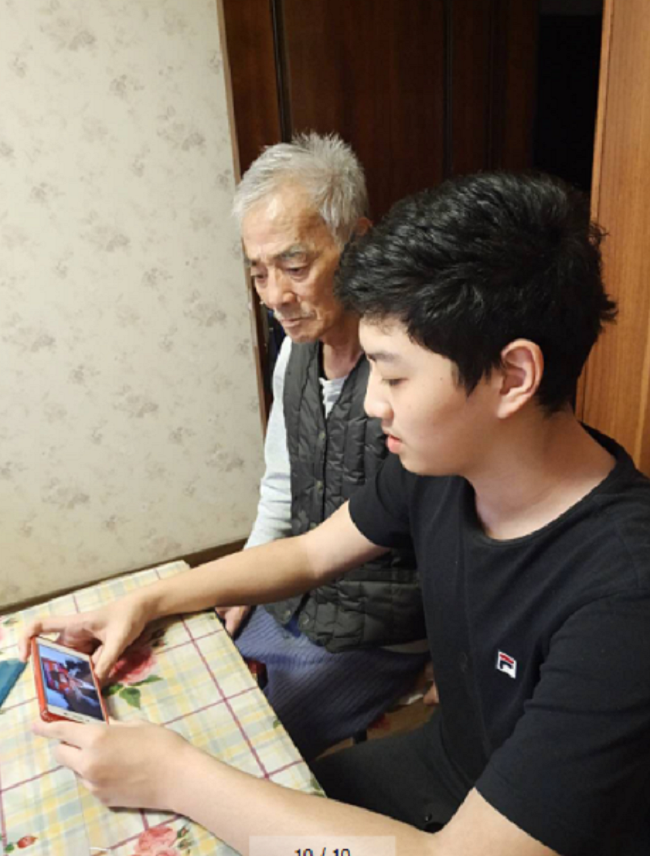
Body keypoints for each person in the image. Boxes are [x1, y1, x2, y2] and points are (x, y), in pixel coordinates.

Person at [21, 171, 650, 856]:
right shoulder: (447, 468)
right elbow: (310, 552)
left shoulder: (625, 596)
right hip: (447, 765)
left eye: (395, 376)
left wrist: (175, 776)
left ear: (513, 376)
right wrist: (146, 600)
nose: (375, 403)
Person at [219, 132, 429, 759]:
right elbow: (281, 487)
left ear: (357, 241)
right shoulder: (294, 353)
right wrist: (246, 583)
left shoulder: (414, 363)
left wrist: (454, 654)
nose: (274, 297)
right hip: (297, 596)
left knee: (244, 746)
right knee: (209, 676)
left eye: (294, 266)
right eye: (258, 272)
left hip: (382, 633)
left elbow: (460, 529)